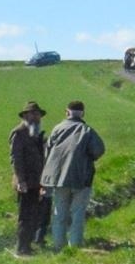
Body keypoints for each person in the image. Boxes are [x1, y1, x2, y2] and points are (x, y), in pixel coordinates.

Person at [40, 100, 106, 250]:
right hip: (81, 179)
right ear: (83, 113)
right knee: (77, 213)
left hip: (58, 179)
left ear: (66, 112)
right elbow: (99, 150)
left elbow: (47, 152)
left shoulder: (57, 129)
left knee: (59, 212)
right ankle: (75, 245)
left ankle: (58, 245)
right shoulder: (87, 130)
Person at [9, 100, 47, 256]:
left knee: (35, 215)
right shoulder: (18, 133)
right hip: (25, 182)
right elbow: (16, 159)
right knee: (25, 215)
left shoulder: (37, 134)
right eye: (33, 113)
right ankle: (21, 247)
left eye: (38, 114)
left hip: (37, 182)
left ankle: (28, 245)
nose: (36, 117)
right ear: (25, 115)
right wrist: (21, 181)